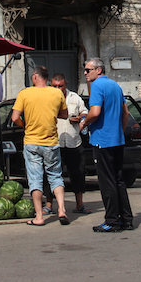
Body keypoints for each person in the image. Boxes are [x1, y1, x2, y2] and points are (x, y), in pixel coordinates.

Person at [79, 57, 134, 233]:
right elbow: (125, 113)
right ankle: (126, 219)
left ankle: (111, 220)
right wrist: (119, 130)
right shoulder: (115, 86)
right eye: (85, 70)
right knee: (118, 180)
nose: (85, 73)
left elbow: (95, 112)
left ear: (99, 70)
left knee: (106, 182)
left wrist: (84, 123)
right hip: (117, 140)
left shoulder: (97, 86)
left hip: (102, 140)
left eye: (88, 70)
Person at [10, 65, 69, 226]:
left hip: (32, 142)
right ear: (47, 79)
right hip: (51, 142)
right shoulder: (57, 92)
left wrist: (25, 125)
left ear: (35, 76)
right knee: (56, 176)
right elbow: (64, 114)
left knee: (35, 180)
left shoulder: (25, 93)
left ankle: (39, 217)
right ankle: (62, 210)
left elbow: (15, 118)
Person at [44, 73, 93, 216]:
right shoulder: (47, 98)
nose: (58, 89)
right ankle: (49, 204)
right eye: (54, 86)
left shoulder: (75, 98)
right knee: (51, 175)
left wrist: (81, 119)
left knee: (77, 173)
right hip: (54, 142)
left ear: (66, 84)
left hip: (73, 142)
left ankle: (80, 204)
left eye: (61, 86)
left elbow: (85, 112)